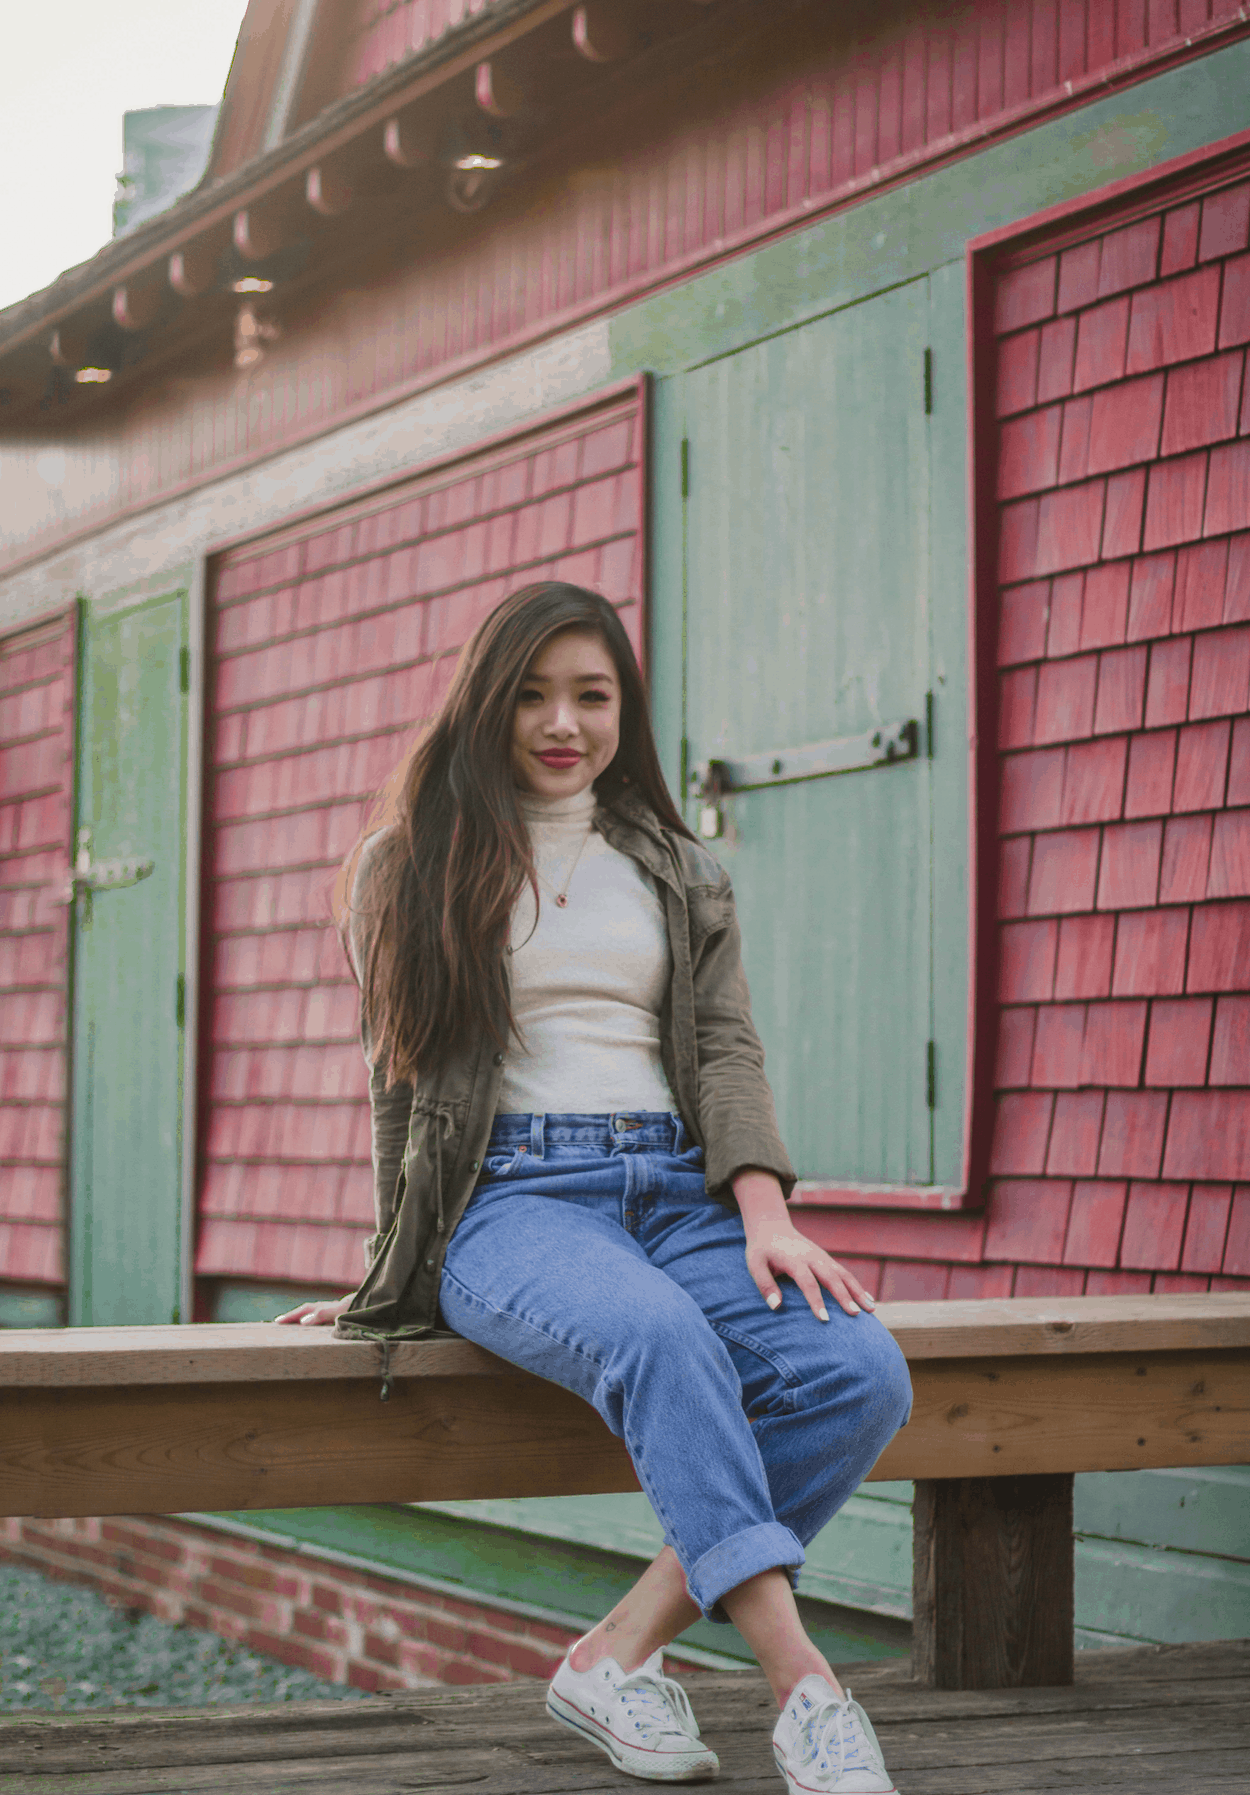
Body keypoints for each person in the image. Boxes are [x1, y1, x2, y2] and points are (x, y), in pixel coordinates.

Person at [278, 582, 912, 1792]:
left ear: (624, 707)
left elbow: (725, 1047)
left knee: (855, 1370)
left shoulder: (678, 866)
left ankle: (615, 1653)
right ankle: (805, 1688)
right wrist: (389, 1274)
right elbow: (400, 1083)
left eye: (590, 694)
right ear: (485, 703)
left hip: (680, 1191)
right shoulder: (408, 865)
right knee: (663, 1338)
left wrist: (765, 1212)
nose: (561, 721)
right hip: (509, 1201)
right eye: (530, 694)